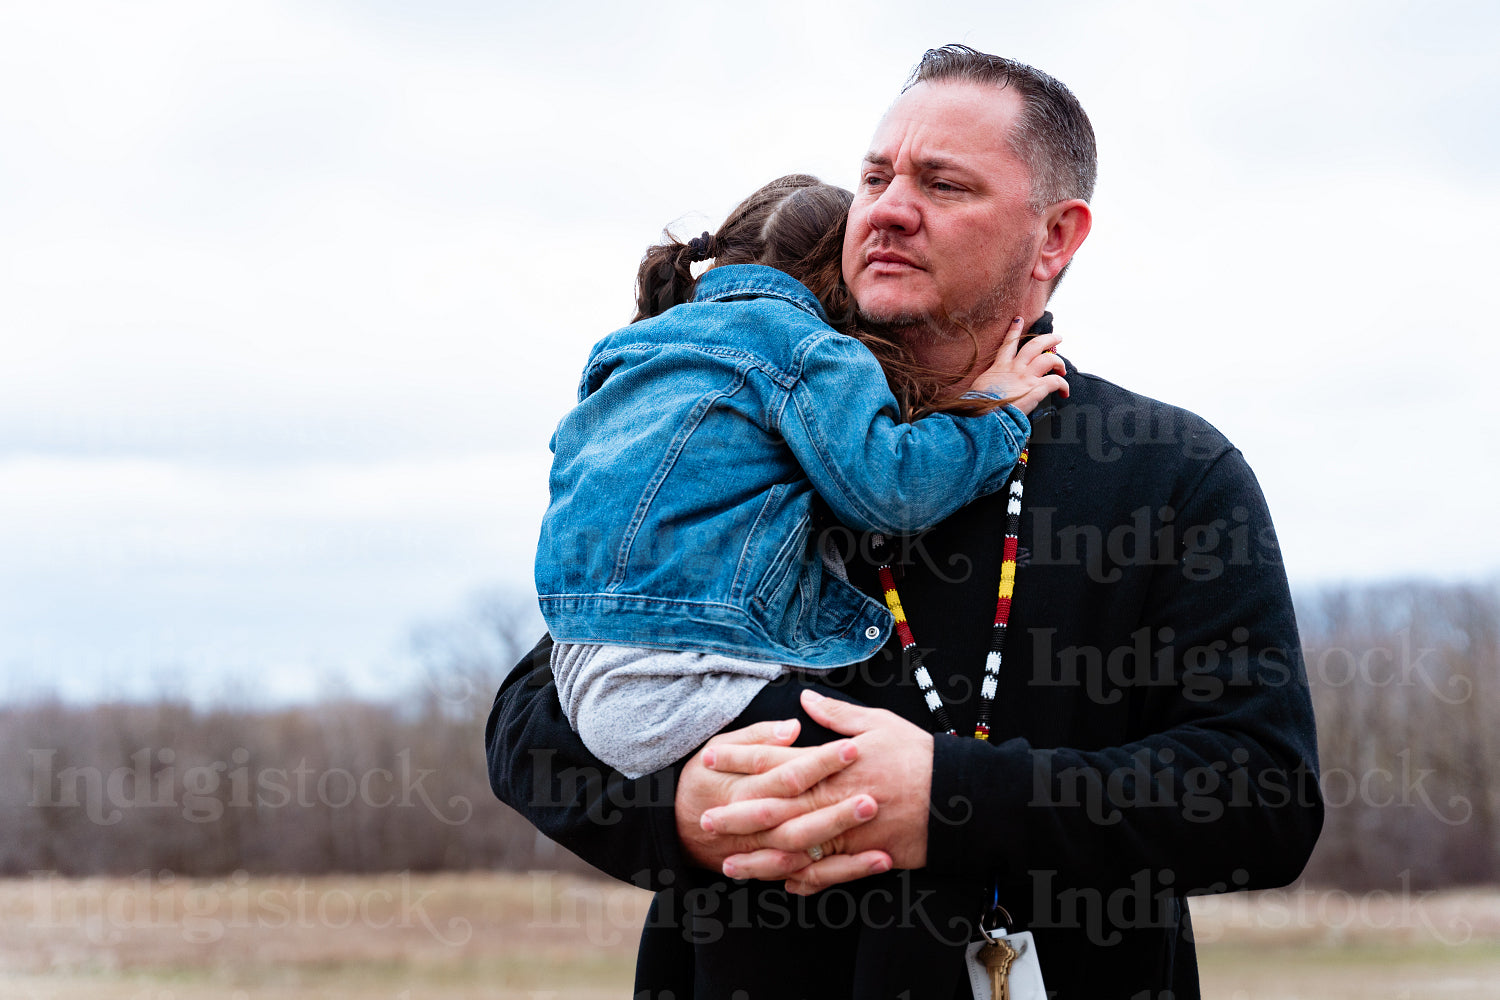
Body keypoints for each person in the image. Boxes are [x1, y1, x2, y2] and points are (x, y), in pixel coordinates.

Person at [487, 45, 1323, 1000]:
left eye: (944, 182)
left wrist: (950, 800)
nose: (883, 206)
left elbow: (1263, 799)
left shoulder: (1170, 471)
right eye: (876, 176)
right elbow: (531, 720)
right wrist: (676, 809)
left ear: (1055, 238)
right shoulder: (741, 422)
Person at [538, 173, 1066, 781]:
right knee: (912, 784)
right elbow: (891, 489)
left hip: (577, 676)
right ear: (844, 277)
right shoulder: (809, 347)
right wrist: (991, 412)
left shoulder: (627, 348)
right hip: (699, 681)